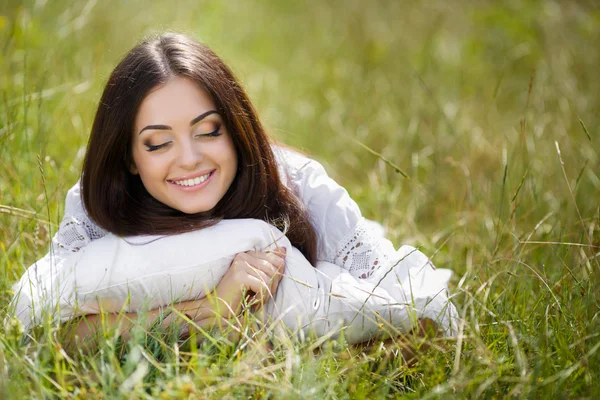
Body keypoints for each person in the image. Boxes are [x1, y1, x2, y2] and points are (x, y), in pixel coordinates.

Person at [9, 33, 457, 350]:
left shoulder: (301, 185)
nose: (188, 159)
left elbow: (420, 313)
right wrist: (206, 311)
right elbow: (50, 331)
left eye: (208, 131)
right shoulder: (98, 203)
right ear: (129, 157)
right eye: (158, 142)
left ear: (234, 129)